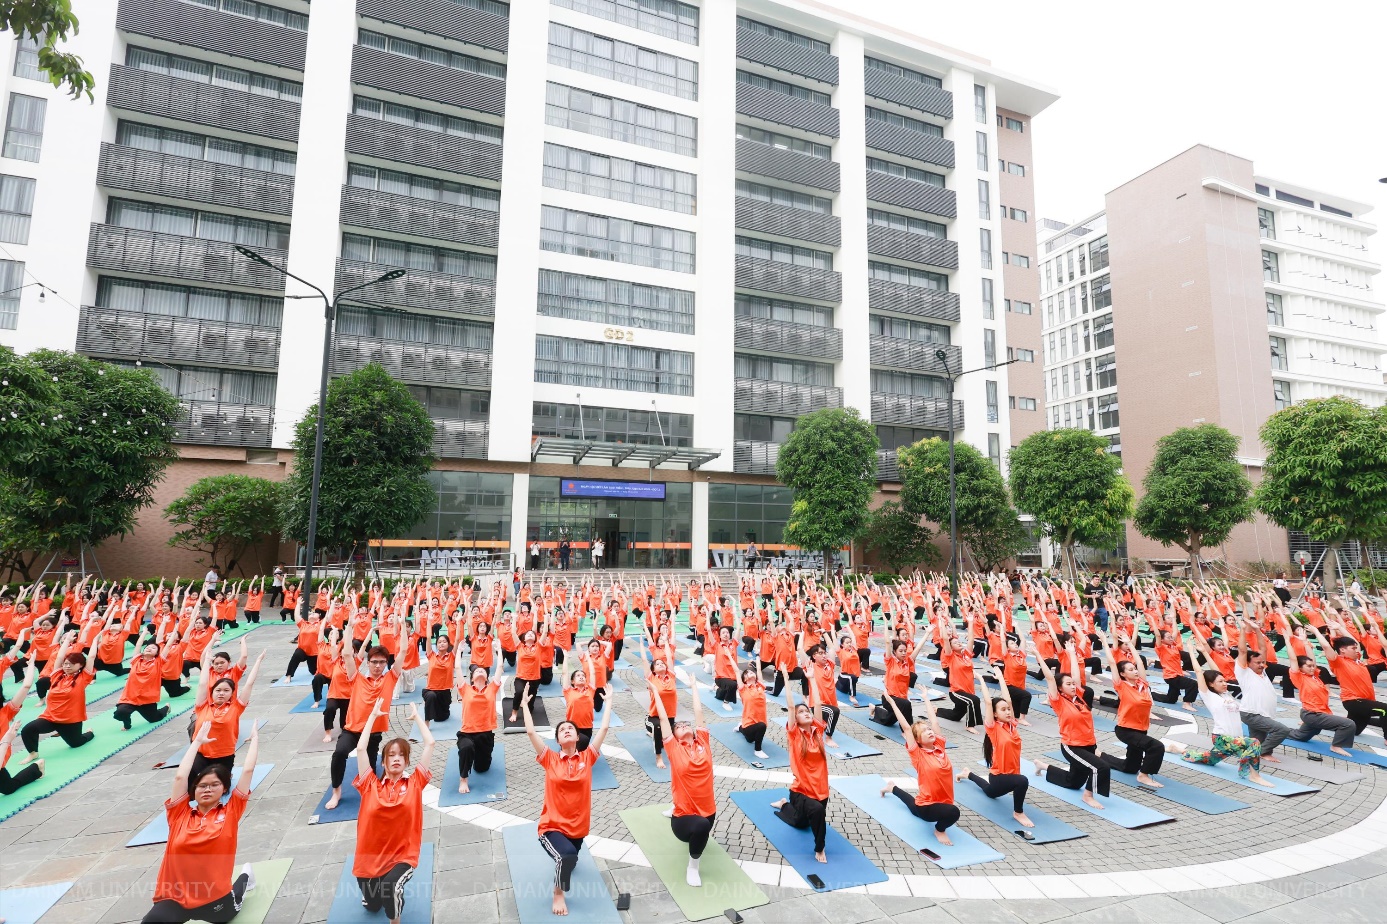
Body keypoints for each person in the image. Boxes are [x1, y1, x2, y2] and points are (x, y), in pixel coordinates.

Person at [144, 721, 260, 923]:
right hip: (176, 899)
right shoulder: (179, 814)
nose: (207, 789)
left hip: (214, 899)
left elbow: (248, 771)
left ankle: (246, 877)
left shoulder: (231, 811)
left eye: (215, 785)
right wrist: (197, 742)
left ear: (224, 789)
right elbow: (181, 776)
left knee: (234, 901)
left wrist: (255, 740)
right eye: (202, 786)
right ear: (194, 790)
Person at [522, 682, 614, 917]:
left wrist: (610, 701)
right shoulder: (549, 758)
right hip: (552, 825)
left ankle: (567, 861)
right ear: (558, 740)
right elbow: (531, 732)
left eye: (570, 729)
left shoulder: (588, 757)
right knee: (567, 856)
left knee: (572, 854)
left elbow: (603, 730)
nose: (566, 730)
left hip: (578, 828)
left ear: (577, 736)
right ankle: (558, 892)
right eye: (561, 729)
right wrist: (524, 705)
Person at [353, 702, 434, 924]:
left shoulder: (415, 782)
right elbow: (361, 749)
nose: (396, 758)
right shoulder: (369, 784)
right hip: (369, 858)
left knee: (391, 889)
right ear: (384, 762)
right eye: (391, 755)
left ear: (407, 761)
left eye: (401, 755)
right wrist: (371, 716)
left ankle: (394, 919)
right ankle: (374, 897)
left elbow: (430, 743)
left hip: (402, 855)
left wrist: (418, 718)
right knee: (373, 905)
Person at [1166, 645, 1275, 787]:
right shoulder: (1208, 695)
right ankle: (1254, 776)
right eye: (1220, 682)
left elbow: (1217, 669)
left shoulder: (1226, 694)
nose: (1225, 684)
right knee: (1254, 742)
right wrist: (1192, 652)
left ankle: (1178, 749)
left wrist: (1205, 652)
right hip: (1221, 738)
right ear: (1210, 684)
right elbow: (1199, 671)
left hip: (1235, 739)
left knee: (1207, 759)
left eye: (1224, 681)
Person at [650, 676, 716, 886]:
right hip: (684, 817)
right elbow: (662, 719)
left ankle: (681, 809)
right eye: (679, 726)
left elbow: (699, 714)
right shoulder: (674, 749)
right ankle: (692, 867)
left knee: (704, 825)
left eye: (687, 724)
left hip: (708, 810)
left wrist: (695, 686)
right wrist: (655, 692)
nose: (685, 725)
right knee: (700, 827)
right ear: (675, 735)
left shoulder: (703, 742)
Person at [878, 681, 959, 846]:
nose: (929, 731)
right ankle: (939, 830)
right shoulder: (918, 754)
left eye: (928, 729)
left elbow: (934, 722)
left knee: (912, 804)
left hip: (942, 801)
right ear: (917, 740)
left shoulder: (940, 746)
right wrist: (892, 701)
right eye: (924, 731)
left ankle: (892, 788)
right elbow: (907, 728)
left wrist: (926, 699)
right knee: (952, 813)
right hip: (928, 806)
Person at [1029, 640, 1108, 810]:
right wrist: (1037, 656)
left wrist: (1072, 653)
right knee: (1100, 767)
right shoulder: (1058, 701)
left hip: (1088, 744)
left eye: (1073, 684)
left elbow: (1076, 674)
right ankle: (1088, 796)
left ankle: (1043, 766)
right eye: (1068, 684)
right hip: (1072, 746)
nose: (1073, 686)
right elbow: (1050, 677)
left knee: (1073, 782)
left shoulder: (1078, 696)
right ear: (1059, 688)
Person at [326, 642, 403, 811]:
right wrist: (350, 626)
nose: (377, 666)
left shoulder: (390, 678)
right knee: (339, 754)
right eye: (374, 662)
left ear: (386, 664)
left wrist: (402, 622)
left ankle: (368, 788)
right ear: (368, 663)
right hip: (352, 730)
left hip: (373, 734)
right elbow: (347, 654)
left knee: (369, 767)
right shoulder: (357, 678)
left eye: (382, 662)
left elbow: (403, 650)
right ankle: (336, 791)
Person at [769, 664, 830, 863]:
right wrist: (786, 678)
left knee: (800, 822)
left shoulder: (818, 732)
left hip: (820, 791)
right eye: (801, 711)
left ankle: (784, 804)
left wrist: (812, 679)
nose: (805, 713)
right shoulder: (795, 734)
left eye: (807, 711)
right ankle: (819, 849)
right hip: (801, 791)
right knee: (817, 811)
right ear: (795, 718)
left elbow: (818, 705)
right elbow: (790, 705)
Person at [961, 669, 1033, 828]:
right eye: (1003, 710)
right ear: (993, 714)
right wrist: (980, 679)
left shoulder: (1012, 724)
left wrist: (1001, 678)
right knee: (1022, 781)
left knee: (988, 791)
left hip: (1010, 775)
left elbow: (1007, 698)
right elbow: (987, 702)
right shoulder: (993, 728)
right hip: (1000, 776)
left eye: (1008, 709)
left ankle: (968, 774)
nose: (1008, 711)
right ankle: (1018, 813)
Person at [1094, 626, 1163, 787]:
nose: (1135, 671)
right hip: (1126, 730)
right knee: (1157, 747)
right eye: (1130, 670)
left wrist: (1130, 644)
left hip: (1141, 728)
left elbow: (1139, 661)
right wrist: (1105, 642)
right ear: (1123, 674)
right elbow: (1112, 661)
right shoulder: (1121, 685)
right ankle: (1144, 775)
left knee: (1130, 767)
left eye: (1134, 669)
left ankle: (1100, 755)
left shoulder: (1143, 684)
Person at [190, 642, 265, 780]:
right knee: (194, 783)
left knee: (221, 786)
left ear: (232, 693)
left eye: (226, 691)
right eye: (218, 690)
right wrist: (207, 659)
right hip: (202, 753)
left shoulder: (236, 707)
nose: (221, 693)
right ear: (211, 692)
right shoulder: (203, 706)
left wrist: (258, 662)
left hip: (224, 755)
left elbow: (249, 684)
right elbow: (202, 683)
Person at [20, 633, 97, 760]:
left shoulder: (83, 678)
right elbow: (60, 656)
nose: (67, 666)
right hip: (50, 718)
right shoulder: (57, 674)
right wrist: (66, 639)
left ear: (80, 666)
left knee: (76, 743)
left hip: (70, 720)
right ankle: (33, 753)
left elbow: (92, 656)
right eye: (66, 664)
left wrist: (94, 639)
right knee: (28, 730)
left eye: (71, 664)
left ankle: (90, 733)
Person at [1235, 620, 1291, 763]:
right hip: (1251, 713)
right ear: (1248, 663)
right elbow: (1242, 650)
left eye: (1262, 662)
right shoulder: (1244, 672)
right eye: (1257, 663)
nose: (1261, 665)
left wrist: (1257, 630)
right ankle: (1257, 753)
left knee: (1257, 739)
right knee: (1282, 730)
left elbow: (1263, 648)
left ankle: (1261, 752)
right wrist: (1242, 629)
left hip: (1263, 712)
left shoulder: (1263, 672)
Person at [457, 640, 503, 794]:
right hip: (467, 732)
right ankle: (463, 779)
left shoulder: (492, 689)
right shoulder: (466, 689)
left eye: (483, 671)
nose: (480, 671)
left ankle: (477, 756)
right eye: (477, 671)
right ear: (471, 678)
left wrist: (498, 649)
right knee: (466, 747)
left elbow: (500, 668)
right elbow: (457, 667)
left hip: (485, 734)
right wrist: (459, 650)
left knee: (481, 768)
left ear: (487, 677)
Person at [113, 628, 174, 731]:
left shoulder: (159, 661)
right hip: (130, 698)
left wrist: (175, 630)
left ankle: (166, 708)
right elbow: (138, 645)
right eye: (148, 647)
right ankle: (127, 724)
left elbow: (168, 645)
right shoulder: (136, 660)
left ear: (157, 654)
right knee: (120, 713)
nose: (149, 648)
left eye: (153, 648)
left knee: (154, 718)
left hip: (147, 699)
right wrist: (144, 633)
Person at [736, 666, 770, 759]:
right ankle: (758, 750)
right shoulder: (743, 689)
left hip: (759, 721)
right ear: (744, 679)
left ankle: (740, 727)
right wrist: (729, 655)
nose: (750, 672)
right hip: (749, 723)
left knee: (750, 740)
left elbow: (759, 669)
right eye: (747, 673)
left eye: (751, 672)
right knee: (761, 726)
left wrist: (758, 657)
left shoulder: (760, 686)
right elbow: (736, 670)